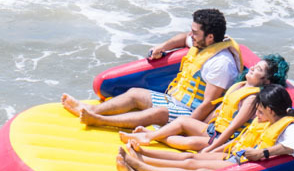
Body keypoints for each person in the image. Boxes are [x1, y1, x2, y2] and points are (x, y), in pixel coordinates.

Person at [115, 83, 294, 171]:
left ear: (271, 110)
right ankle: (141, 162)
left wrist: (262, 152)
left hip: (255, 170)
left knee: (199, 170)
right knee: (191, 159)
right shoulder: (273, 118)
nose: (257, 115)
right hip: (241, 157)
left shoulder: (293, 128)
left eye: (260, 111)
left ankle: (142, 168)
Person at [61, 9, 241, 130]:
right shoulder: (201, 43)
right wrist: (162, 47)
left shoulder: (221, 64)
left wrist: (186, 126)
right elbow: (182, 38)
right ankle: (89, 110)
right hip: (175, 100)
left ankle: (100, 120)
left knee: (158, 113)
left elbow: (208, 104)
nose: (191, 35)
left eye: (195, 32)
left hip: (191, 112)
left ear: (210, 37)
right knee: (134, 93)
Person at [118, 54, 289, 152]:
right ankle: (149, 136)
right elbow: (218, 111)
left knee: (184, 142)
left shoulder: (252, 98)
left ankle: (152, 137)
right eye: (255, 66)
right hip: (212, 130)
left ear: (266, 81)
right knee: (182, 122)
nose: (251, 68)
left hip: (222, 138)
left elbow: (232, 127)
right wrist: (197, 126)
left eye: (258, 70)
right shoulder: (240, 85)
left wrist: (211, 148)